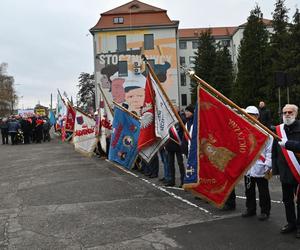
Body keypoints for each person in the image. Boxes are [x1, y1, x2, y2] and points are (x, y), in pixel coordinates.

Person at [272, 104, 300, 238]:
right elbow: (274, 153)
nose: (287, 115)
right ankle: (291, 223)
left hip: (298, 172)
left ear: (296, 113)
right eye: (284, 113)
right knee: (287, 200)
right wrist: (276, 170)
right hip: (284, 171)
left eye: (290, 112)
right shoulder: (278, 130)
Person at [241, 106, 273, 221]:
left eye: (252, 115)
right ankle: (250, 209)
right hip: (248, 166)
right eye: (247, 115)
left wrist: (268, 165)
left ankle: (265, 211)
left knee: (263, 191)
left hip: (261, 165)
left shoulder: (265, 131)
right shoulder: (243, 130)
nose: (249, 117)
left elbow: (269, 150)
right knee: (249, 189)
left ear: (257, 116)